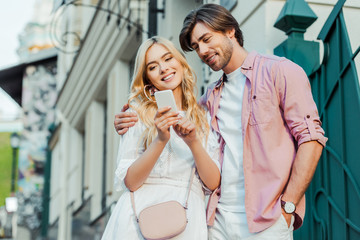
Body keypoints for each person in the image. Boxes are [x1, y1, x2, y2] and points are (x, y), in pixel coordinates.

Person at [114, 4, 327, 240]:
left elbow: (311, 138)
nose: (203, 50)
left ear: (229, 31)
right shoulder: (209, 99)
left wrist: (288, 206)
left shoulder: (280, 71)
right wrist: (130, 118)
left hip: (267, 219)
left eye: (206, 39)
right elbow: (184, 120)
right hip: (217, 221)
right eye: (196, 46)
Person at [102, 36, 221, 239]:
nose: (164, 68)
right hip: (136, 221)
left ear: (181, 63)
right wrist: (160, 140)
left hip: (186, 222)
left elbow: (212, 183)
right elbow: (130, 182)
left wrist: (193, 142)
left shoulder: (204, 117)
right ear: (147, 78)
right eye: (153, 67)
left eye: (168, 59)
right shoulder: (137, 114)